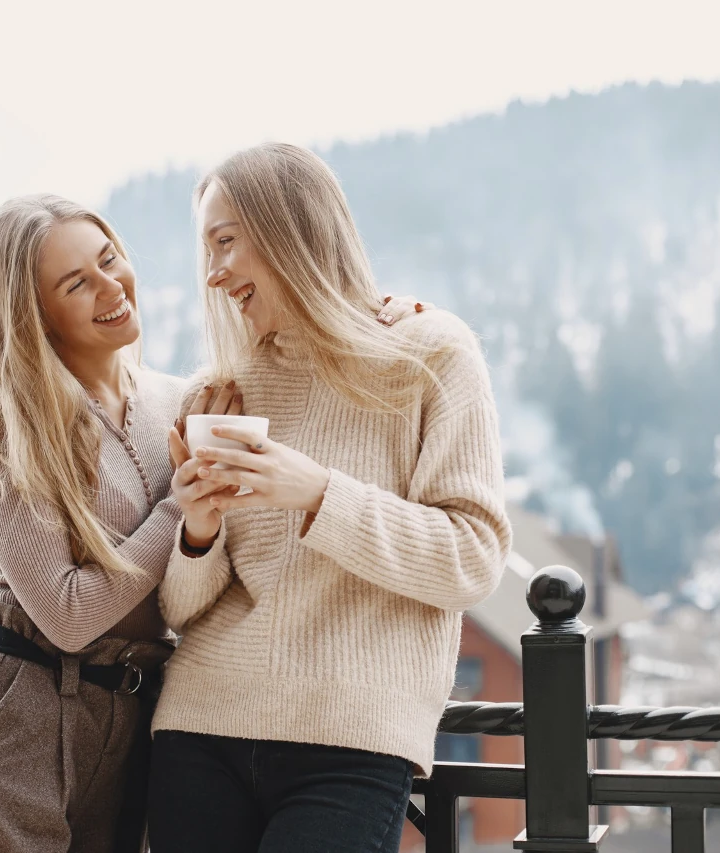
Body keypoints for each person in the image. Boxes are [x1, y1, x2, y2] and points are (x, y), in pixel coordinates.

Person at [148, 143, 513, 853]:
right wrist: (198, 527)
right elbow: (181, 608)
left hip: (350, 741)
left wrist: (317, 494)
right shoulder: (219, 393)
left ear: (290, 228)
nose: (214, 273)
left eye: (226, 242)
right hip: (200, 726)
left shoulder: (429, 355)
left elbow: (471, 558)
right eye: (206, 252)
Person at [0, 194, 241, 852]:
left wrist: (386, 321)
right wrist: (178, 507)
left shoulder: (177, 401)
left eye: (109, 259)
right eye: (77, 283)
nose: (111, 286)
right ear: (34, 313)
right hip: (22, 720)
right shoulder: (9, 421)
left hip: (137, 724)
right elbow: (65, 612)